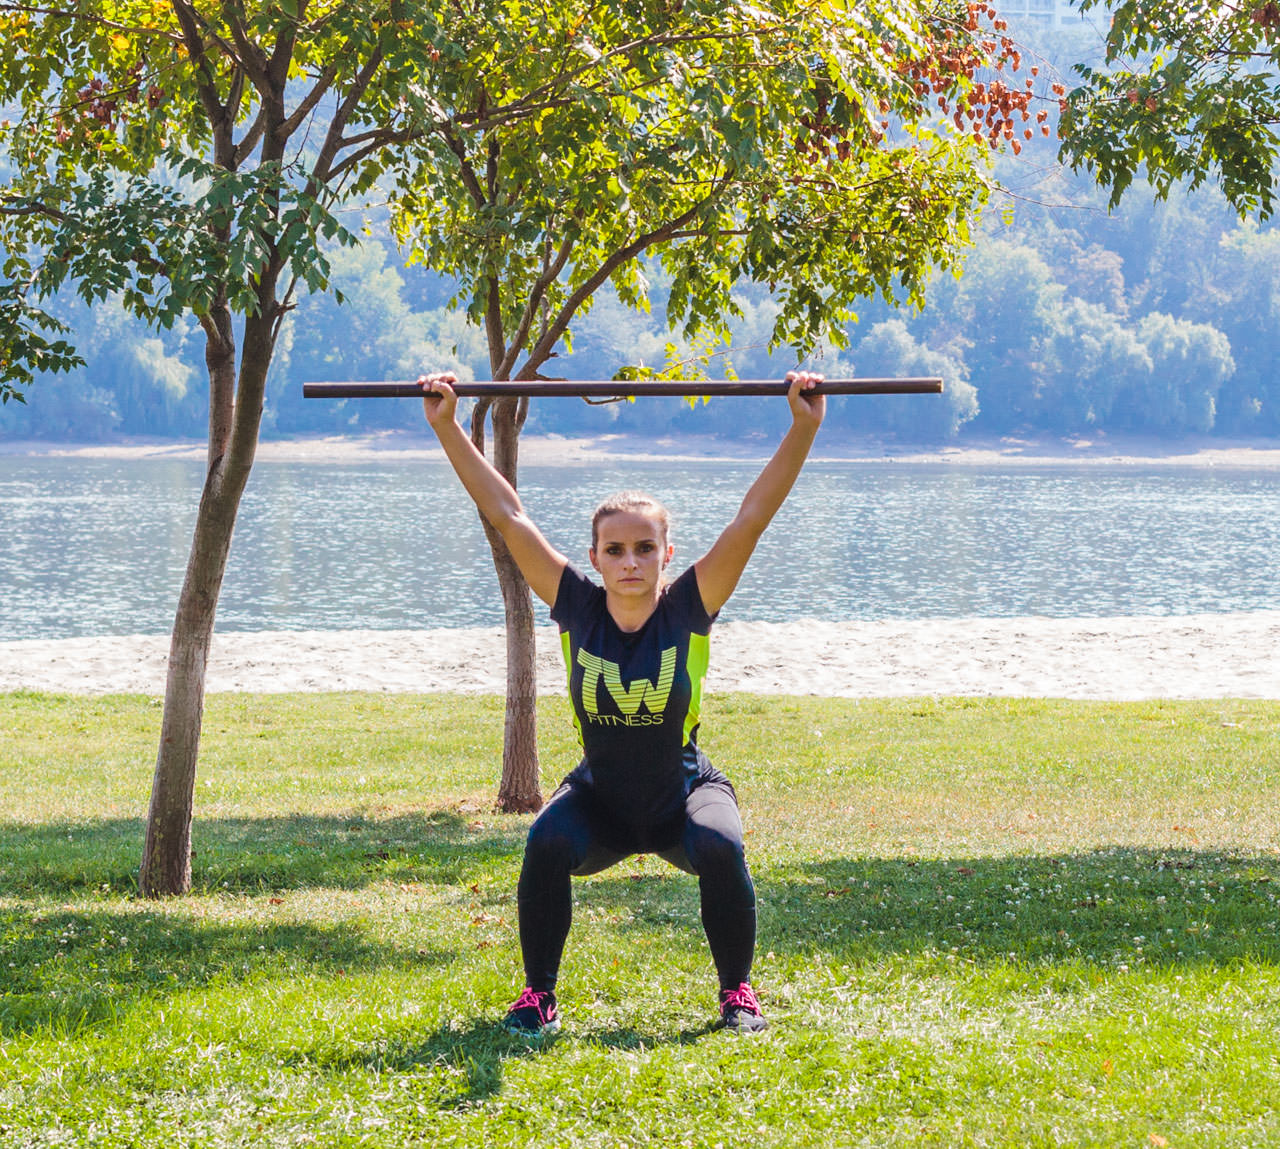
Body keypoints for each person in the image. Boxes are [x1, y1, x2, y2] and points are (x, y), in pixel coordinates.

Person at [421, 368, 826, 1037]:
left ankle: (737, 994)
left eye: (644, 548)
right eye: (616, 549)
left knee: (722, 844)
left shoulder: (691, 604)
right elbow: (507, 514)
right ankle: (539, 996)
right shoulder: (575, 603)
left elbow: (751, 518)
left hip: (683, 795)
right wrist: (447, 427)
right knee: (546, 838)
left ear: (667, 553)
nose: (630, 561)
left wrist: (802, 427)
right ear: (595, 556)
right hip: (601, 801)